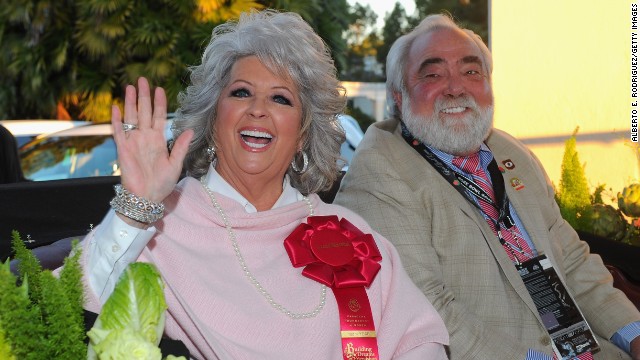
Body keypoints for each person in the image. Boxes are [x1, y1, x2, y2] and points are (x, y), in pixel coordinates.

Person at [70, 10, 449, 359]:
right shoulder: (160, 224)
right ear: (213, 118)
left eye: (280, 99)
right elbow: (75, 306)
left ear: (302, 133)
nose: (258, 109)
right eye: (241, 92)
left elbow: (419, 339)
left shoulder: (351, 233)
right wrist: (135, 208)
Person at [333, 13, 640, 360]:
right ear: (399, 97)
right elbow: (424, 309)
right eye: (433, 74)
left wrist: (634, 333)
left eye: (471, 71)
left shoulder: (510, 152)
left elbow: (571, 260)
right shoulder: (379, 171)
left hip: (588, 348)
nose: (456, 87)